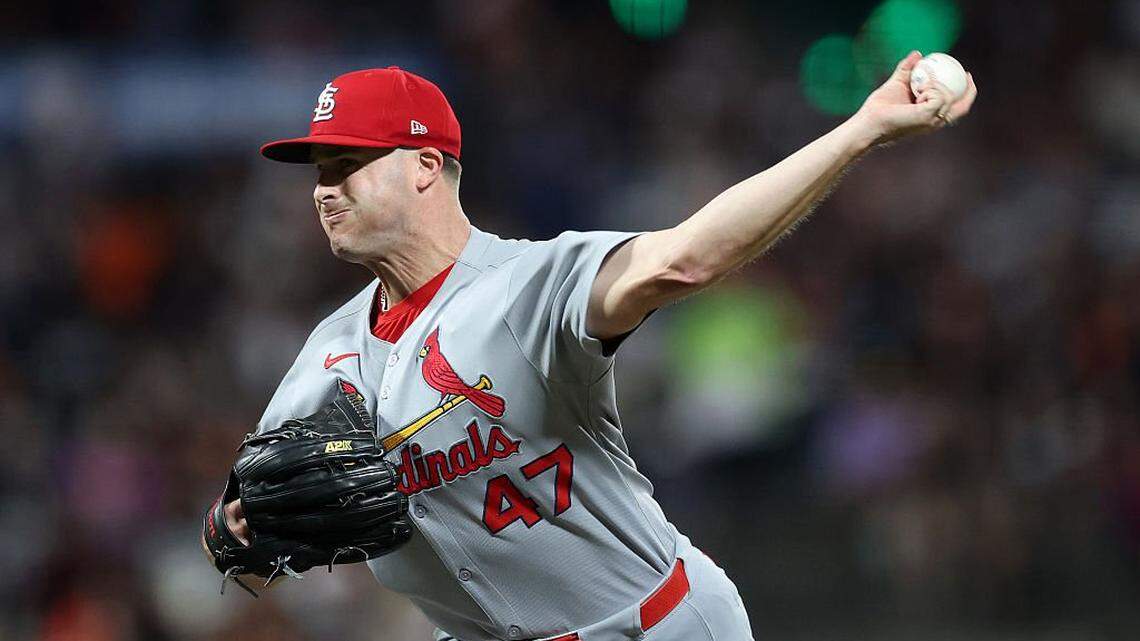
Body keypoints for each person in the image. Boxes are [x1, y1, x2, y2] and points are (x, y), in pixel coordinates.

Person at [215, 55, 976, 640]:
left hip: (655, 625)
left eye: (348, 163)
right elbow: (242, 501)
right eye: (319, 170)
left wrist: (864, 128)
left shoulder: (528, 286)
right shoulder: (328, 354)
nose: (324, 187)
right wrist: (231, 525)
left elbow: (686, 256)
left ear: (424, 167)